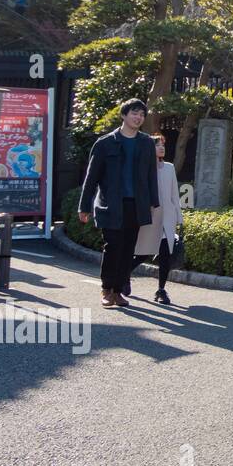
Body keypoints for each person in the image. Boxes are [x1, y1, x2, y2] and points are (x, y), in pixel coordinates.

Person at [78, 99, 160, 309]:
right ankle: (107, 289)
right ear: (123, 115)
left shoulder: (146, 143)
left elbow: (151, 175)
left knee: (127, 249)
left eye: (142, 114)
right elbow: (92, 177)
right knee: (113, 247)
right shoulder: (105, 143)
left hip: (136, 204)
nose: (138, 117)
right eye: (134, 113)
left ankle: (119, 291)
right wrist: (84, 206)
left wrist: (153, 202)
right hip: (110, 204)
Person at [133, 133, 184, 305]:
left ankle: (161, 290)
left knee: (165, 255)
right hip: (150, 216)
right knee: (143, 253)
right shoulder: (144, 167)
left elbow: (174, 195)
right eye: (157, 145)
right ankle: (124, 277)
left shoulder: (169, 167)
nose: (161, 147)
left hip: (167, 218)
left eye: (163, 144)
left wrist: (179, 217)